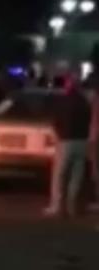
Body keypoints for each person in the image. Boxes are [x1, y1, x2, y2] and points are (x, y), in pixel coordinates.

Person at [44, 74, 91, 218]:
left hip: (66, 141)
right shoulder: (84, 102)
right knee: (76, 176)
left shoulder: (63, 101)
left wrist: (58, 135)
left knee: (60, 175)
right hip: (82, 142)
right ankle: (72, 207)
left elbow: (55, 121)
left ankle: (58, 207)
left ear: (68, 86)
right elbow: (89, 120)